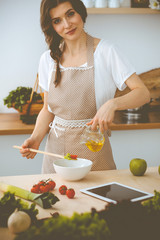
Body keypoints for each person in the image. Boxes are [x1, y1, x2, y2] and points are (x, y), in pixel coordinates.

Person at [20, 0, 150, 173]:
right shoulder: (48, 59)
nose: (67, 25)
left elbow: (143, 93)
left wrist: (112, 104)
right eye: (57, 21)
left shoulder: (106, 51)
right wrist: (35, 138)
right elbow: (47, 109)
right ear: (51, 26)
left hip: (94, 150)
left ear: (80, 12)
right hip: (56, 156)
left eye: (70, 14)